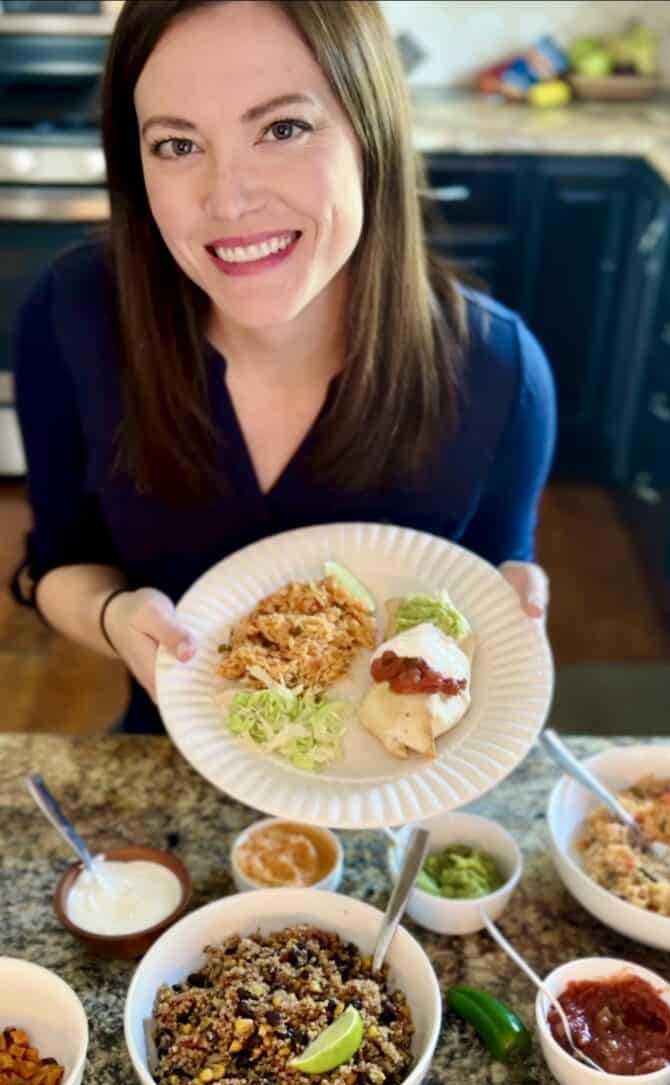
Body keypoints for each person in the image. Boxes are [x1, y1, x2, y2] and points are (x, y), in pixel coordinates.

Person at [12, 0, 556, 735]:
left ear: (373, 134)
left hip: (395, 777)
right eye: (176, 145)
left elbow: (490, 601)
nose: (228, 200)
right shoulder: (72, 315)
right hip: (171, 752)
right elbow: (57, 566)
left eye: (283, 129)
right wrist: (115, 617)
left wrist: (512, 610)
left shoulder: (501, 376)